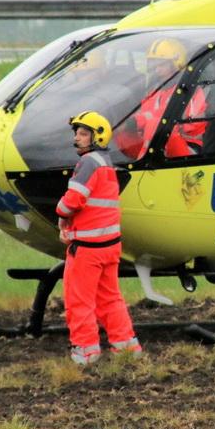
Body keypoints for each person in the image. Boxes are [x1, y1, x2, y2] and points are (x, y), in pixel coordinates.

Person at [55, 110, 141, 366]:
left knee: (79, 301)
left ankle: (86, 351)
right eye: (77, 133)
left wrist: (60, 213)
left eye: (83, 134)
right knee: (110, 298)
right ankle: (126, 346)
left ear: (97, 137)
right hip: (110, 246)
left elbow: (73, 201)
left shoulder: (88, 163)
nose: (77, 138)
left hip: (87, 249)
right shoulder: (106, 163)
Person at [131, 38, 208, 158]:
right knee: (122, 134)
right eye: (154, 64)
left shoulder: (190, 91)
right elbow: (144, 114)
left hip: (188, 147)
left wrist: (140, 122)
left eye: (161, 64)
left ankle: (142, 165)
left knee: (156, 125)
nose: (157, 69)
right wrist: (129, 124)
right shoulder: (155, 91)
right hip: (158, 144)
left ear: (177, 63)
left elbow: (171, 120)